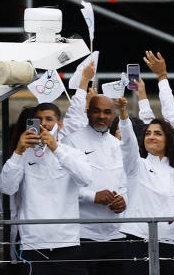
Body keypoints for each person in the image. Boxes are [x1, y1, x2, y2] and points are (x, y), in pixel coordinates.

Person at [0, 102, 93, 275]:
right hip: (33, 244)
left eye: (49, 119)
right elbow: (6, 188)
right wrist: (18, 151)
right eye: (39, 119)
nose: (44, 124)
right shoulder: (23, 155)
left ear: (60, 123)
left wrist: (55, 148)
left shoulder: (72, 153)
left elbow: (85, 179)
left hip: (68, 242)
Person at [115, 97, 174, 275]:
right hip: (139, 242)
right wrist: (124, 116)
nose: (151, 136)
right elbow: (127, 145)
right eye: (148, 133)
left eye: (158, 133)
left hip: (171, 244)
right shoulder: (136, 165)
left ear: (168, 139)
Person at [64, 94, 127, 275]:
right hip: (83, 235)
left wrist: (124, 200)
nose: (101, 116)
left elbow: (128, 185)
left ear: (114, 114)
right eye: (96, 111)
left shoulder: (119, 145)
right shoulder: (71, 142)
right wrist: (92, 196)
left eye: (107, 112)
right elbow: (61, 188)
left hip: (116, 235)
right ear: (88, 112)